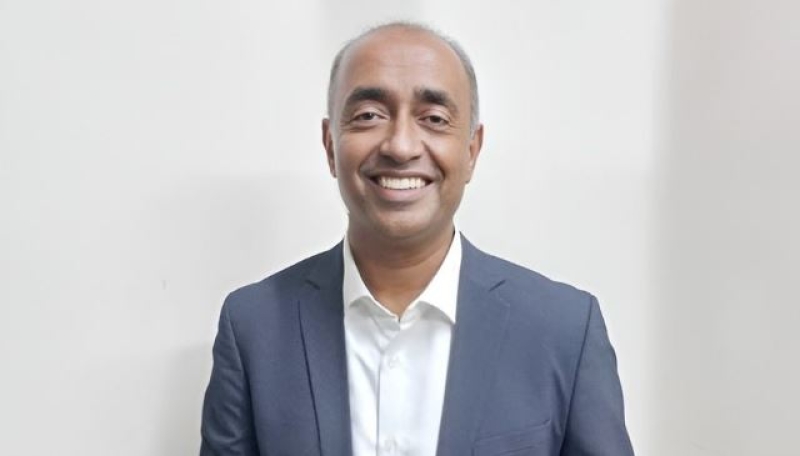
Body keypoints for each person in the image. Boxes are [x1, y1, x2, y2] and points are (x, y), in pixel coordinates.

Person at [200, 21, 634, 456]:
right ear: (331, 145)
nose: (401, 146)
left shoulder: (563, 331)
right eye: (369, 115)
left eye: (434, 119)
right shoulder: (254, 328)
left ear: (471, 151)